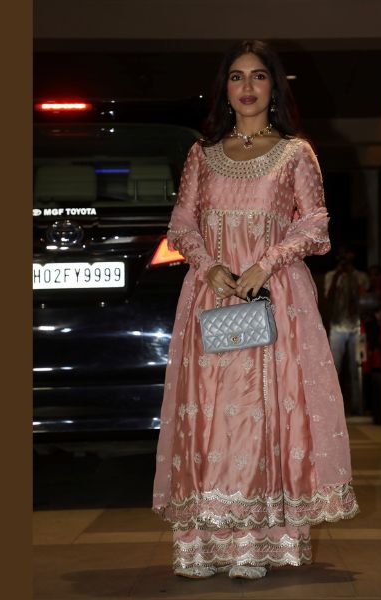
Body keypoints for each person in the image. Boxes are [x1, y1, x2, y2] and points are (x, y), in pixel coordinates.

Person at [152, 40, 359, 580]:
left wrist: (266, 264)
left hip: (274, 299)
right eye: (237, 76)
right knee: (210, 411)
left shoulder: (295, 153)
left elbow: (315, 224)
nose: (247, 87)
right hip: (212, 297)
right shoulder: (202, 154)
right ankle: (205, 543)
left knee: (263, 411)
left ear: (275, 87)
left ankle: (258, 542)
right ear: (224, 88)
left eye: (259, 76)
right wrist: (209, 266)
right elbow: (182, 224)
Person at [324, 247, 369, 415]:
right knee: (335, 369)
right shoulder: (331, 275)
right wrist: (338, 275)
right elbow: (328, 297)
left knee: (356, 369)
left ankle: (358, 407)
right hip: (337, 327)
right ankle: (333, 407)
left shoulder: (360, 276)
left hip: (356, 327)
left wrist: (351, 275)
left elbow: (364, 294)